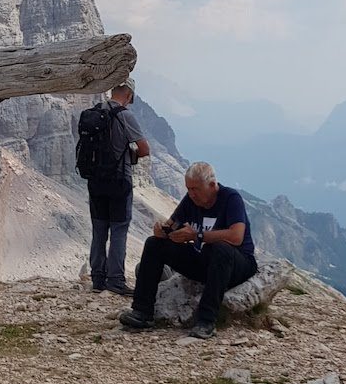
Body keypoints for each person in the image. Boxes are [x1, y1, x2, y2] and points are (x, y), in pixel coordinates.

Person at [119, 161, 256, 339]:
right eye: (188, 189)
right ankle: (142, 312)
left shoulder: (231, 198)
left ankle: (206, 321)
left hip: (237, 264)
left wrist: (198, 236)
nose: (191, 194)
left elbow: (236, 236)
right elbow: (172, 223)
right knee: (154, 244)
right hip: (205, 261)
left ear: (212, 185)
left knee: (220, 248)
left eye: (196, 189)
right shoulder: (190, 200)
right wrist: (162, 230)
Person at [84, 78, 150, 295]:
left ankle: (97, 279)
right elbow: (144, 149)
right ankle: (115, 280)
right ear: (129, 94)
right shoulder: (125, 116)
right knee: (119, 230)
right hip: (119, 182)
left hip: (95, 182)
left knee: (99, 230)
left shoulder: (94, 113)